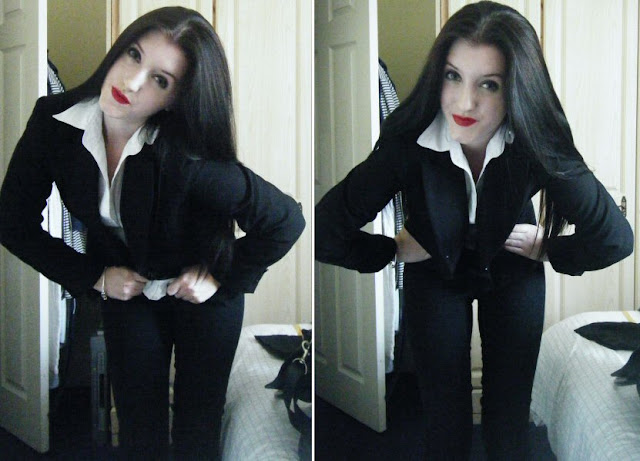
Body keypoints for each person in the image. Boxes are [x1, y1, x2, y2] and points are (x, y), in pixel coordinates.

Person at [315, 2, 633, 460]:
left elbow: (614, 238)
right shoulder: (408, 144)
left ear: (517, 88)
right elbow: (325, 228)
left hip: (513, 266)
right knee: (444, 423)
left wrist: (549, 248)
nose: (465, 103)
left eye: (489, 84)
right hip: (434, 272)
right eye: (453, 76)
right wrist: (388, 250)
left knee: (508, 421)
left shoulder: (537, 141)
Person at [0, 7, 305, 460]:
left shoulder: (188, 157)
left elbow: (286, 220)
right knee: (139, 427)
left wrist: (220, 276)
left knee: (197, 426)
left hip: (203, 294)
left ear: (175, 98)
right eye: (133, 55)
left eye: (160, 80)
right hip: (129, 288)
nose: (131, 82)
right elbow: (12, 222)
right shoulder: (54, 123)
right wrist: (94, 277)